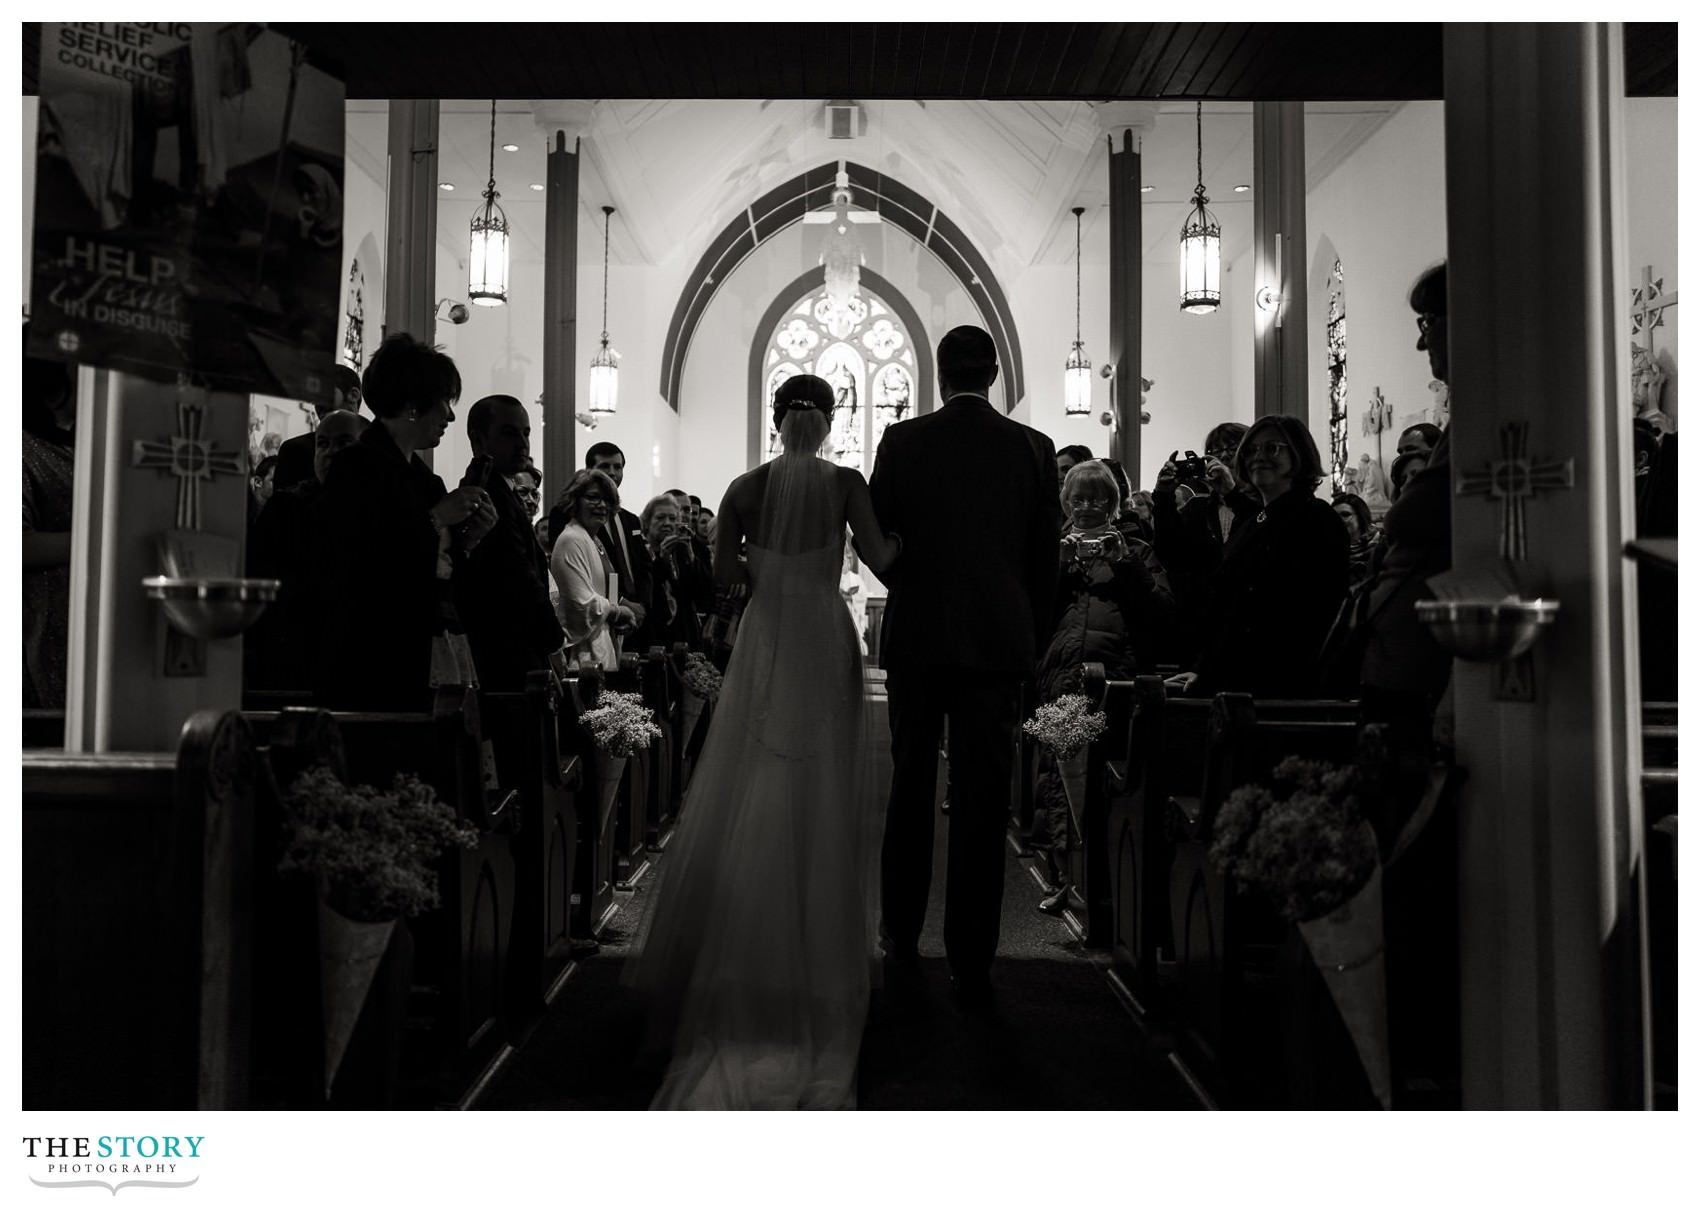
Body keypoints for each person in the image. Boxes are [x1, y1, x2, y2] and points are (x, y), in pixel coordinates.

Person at [631, 373, 901, 1109]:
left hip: (766, 639)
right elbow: (884, 559)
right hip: (823, 634)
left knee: (753, 770)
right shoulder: (846, 482)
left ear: (778, 419)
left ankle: (743, 941)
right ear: (832, 419)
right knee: (822, 775)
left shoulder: (743, 487)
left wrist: (763, 564)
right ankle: (817, 946)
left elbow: (724, 576)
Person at [868, 324, 1061, 1004]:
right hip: (997, 643)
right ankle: (972, 956)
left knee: (911, 790)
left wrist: (915, 591)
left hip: (920, 640)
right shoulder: (1033, 449)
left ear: (939, 374)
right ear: (996, 372)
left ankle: (900, 936)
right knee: (983, 800)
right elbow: (1046, 557)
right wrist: (1026, 630)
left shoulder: (903, 441)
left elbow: (879, 539)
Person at [309, 334, 497, 709]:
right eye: (444, 402)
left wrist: (468, 541)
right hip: (373, 658)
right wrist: (436, 519)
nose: (450, 415)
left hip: (426, 647)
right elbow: (356, 563)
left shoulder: (426, 481)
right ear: (413, 406)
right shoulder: (357, 467)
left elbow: (438, 575)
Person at [1032, 460, 1170, 913]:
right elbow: (1032, 615)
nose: (1087, 507)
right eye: (1078, 498)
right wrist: (1057, 566)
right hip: (1063, 671)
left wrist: (1123, 561)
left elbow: (1159, 612)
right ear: (1066, 503)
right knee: (1059, 775)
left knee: (1108, 779)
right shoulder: (1052, 550)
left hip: (1117, 675)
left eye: (1098, 499)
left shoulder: (1137, 551)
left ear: (1114, 505)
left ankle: (1105, 881)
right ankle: (1062, 875)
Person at [1166, 414, 1349, 698]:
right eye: (1251, 450)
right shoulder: (1256, 521)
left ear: (1299, 454)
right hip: (1232, 678)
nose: (1258, 457)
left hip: (1277, 682)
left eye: (1272, 448)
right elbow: (1230, 607)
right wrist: (1204, 668)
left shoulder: (1316, 518)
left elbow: (1303, 610)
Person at [246, 409, 368, 691]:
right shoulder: (286, 509)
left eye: (344, 443)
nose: (330, 452)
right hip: (295, 659)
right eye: (322, 444)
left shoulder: (383, 510)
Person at [454, 396, 564, 691]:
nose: (523, 443)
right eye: (509, 433)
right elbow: (517, 576)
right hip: (506, 650)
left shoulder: (501, 487)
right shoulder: (487, 491)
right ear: (479, 439)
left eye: (526, 433)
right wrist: (553, 639)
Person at [23, 347, 76, 710]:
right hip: (41, 624)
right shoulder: (20, 448)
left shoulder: (78, 443)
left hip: (79, 620)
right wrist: (103, 538)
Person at [549, 469, 635, 672]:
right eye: (593, 498)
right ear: (575, 501)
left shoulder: (595, 540)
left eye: (607, 500)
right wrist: (617, 611)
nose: (602, 505)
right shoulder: (572, 539)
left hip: (604, 644)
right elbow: (581, 604)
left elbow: (608, 591)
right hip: (583, 656)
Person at [275, 364, 362, 493]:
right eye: (316, 398)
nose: (318, 404)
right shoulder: (294, 450)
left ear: (353, 396)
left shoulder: (374, 448)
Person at [1332, 491, 1379, 586]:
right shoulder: (1329, 548)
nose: (1338, 520)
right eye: (1334, 516)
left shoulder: (1381, 545)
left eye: (1345, 515)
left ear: (1361, 517)